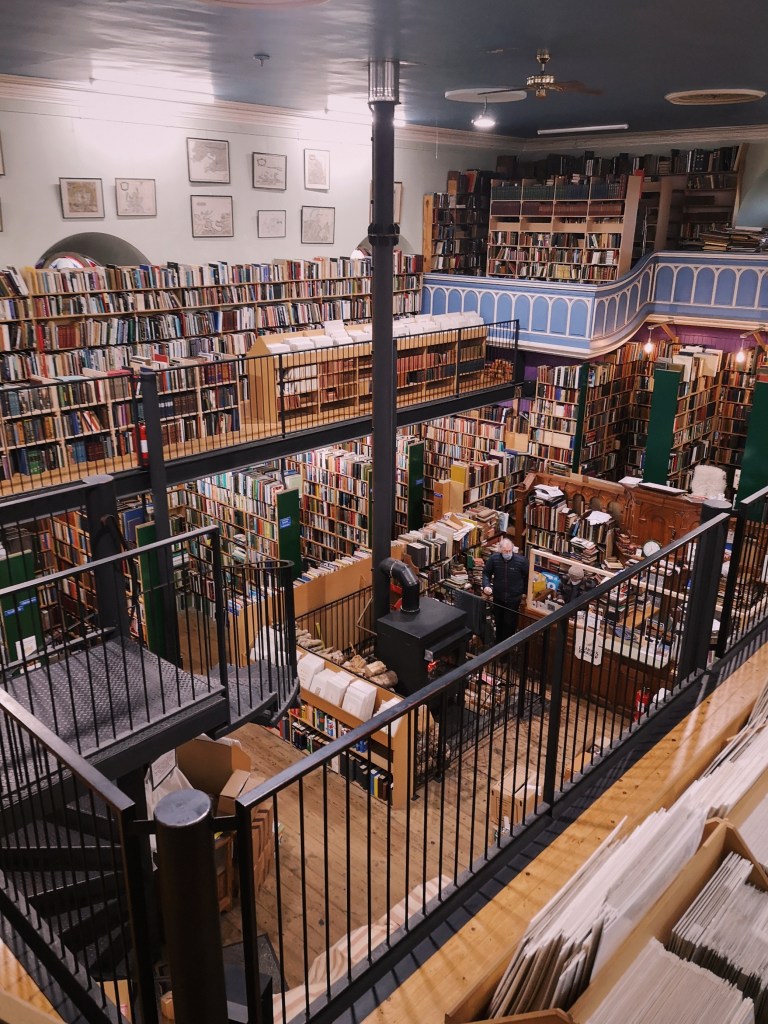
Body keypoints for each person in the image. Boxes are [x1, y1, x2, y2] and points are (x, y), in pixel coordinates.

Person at [482, 538, 528, 642]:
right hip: (498, 597)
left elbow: (527, 577)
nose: (507, 553)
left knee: (509, 623)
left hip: (514, 598)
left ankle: (508, 647)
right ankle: (498, 645)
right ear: (500, 550)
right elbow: (486, 573)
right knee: (499, 622)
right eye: (505, 551)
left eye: (509, 551)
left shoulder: (522, 561)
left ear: (512, 549)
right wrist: (486, 585)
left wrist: (524, 593)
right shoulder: (494, 559)